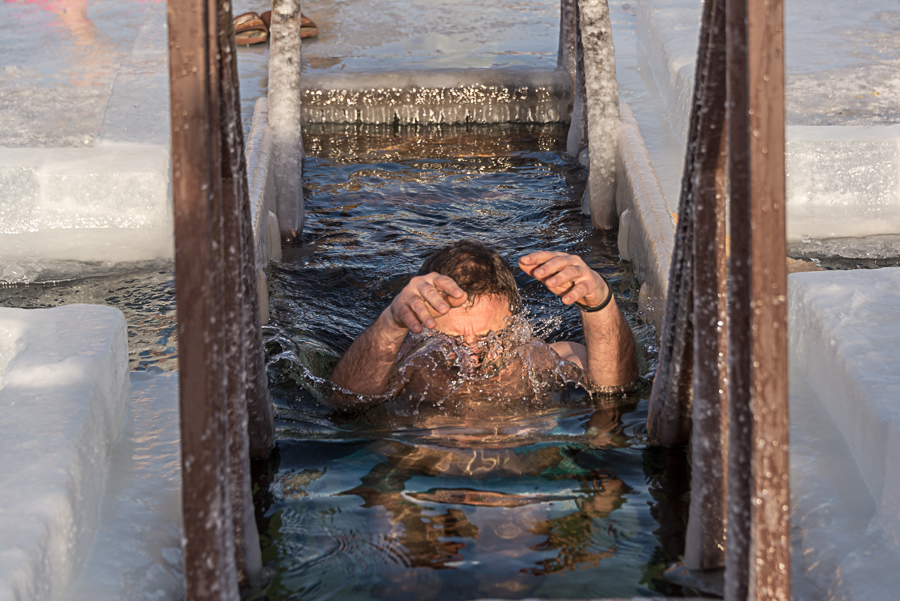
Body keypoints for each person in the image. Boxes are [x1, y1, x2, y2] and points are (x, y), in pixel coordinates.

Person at [329, 239, 637, 407]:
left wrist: (599, 303)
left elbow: (614, 390)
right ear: (419, 331)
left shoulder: (541, 359)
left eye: (493, 337)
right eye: (452, 341)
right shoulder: (405, 364)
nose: (472, 357)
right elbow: (346, 401)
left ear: (517, 324)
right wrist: (390, 323)